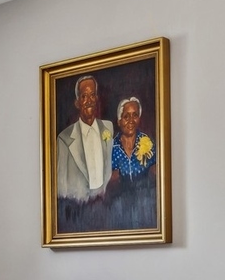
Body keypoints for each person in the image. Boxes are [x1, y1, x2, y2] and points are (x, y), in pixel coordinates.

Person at [54, 74, 113, 231]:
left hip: (107, 210)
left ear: (97, 98)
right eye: (84, 96)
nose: (89, 100)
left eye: (92, 95)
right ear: (77, 102)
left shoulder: (109, 129)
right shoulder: (64, 138)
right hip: (77, 213)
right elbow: (61, 185)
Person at [106, 96, 157, 230]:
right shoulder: (111, 147)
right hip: (118, 210)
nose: (131, 121)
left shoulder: (148, 143)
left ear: (139, 118)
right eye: (126, 116)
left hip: (145, 207)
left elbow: (157, 174)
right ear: (119, 121)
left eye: (135, 115)